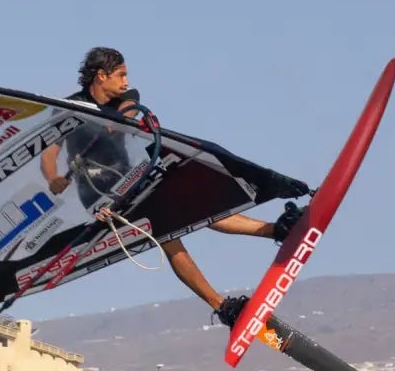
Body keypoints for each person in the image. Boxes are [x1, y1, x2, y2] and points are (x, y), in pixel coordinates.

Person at [42, 47, 299, 322]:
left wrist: (107, 123)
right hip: (99, 196)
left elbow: (123, 119)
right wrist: (53, 177)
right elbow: (49, 152)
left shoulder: (127, 97)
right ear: (101, 76)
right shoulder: (70, 109)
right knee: (169, 239)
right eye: (121, 75)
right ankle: (222, 306)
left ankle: (276, 231)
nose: (126, 81)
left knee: (198, 210)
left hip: (132, 178)